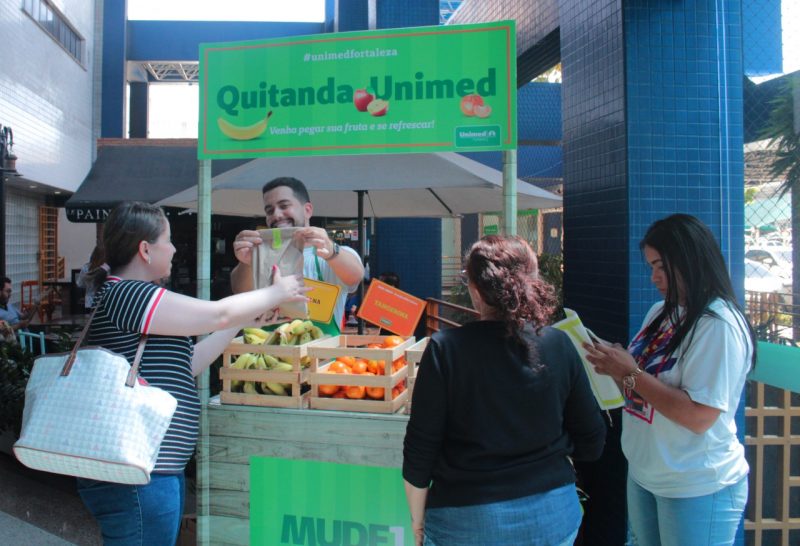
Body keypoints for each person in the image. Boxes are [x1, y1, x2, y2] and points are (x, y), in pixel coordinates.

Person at [77, 201, 309, 545]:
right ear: (145, 249)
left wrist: (243, 321)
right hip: (138, 476)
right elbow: (216, 314)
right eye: (168, 240)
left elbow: (188, 364)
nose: (173, 249)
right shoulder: (128, 293)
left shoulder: (132, 297)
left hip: (151, 473)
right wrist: (275, 292)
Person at [403, 235, 606, 546]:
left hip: (465, 521)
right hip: (552, 518)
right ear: (533, 281)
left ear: (474, 290)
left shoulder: (445, 349)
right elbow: (592, 441)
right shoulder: (558, 344)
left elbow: (420, 450)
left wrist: (418, 523)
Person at [584, 214, 755, 546]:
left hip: (696, 484)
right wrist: (611, 366)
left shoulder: (717, 325)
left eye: (661, 266)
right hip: (647, 473)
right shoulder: (659, 312)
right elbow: (641, 387)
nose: (654, 278)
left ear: (689, 259)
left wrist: (629, 372)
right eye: (651, 267)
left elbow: (699, 416)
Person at [230, 177, 364, 328]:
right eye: (269, 210)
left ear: (307, 210)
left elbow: (355, 277)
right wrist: (247, 262)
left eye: (284, 206)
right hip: (268, 348)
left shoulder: (330, 254)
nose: (277, 215)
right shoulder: (263, 256)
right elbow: (240, 292)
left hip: (321, 349)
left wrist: (331, 251)